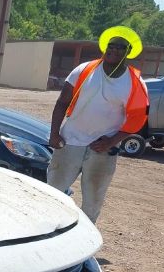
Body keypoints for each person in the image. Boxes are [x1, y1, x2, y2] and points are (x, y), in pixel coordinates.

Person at [48, 26, 149, 223]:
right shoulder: (84, 70)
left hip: (101, 150)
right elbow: (62, 103)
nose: (114, 50)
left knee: (92, 202)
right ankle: (47, 232)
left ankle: (83, 244)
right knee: (53, 192)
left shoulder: (135, 83)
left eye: (121, 47)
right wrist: (54, 134)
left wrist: (112, 142)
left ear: (128, 52)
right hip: (70, 142)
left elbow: (137, 119)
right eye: (111, 45)